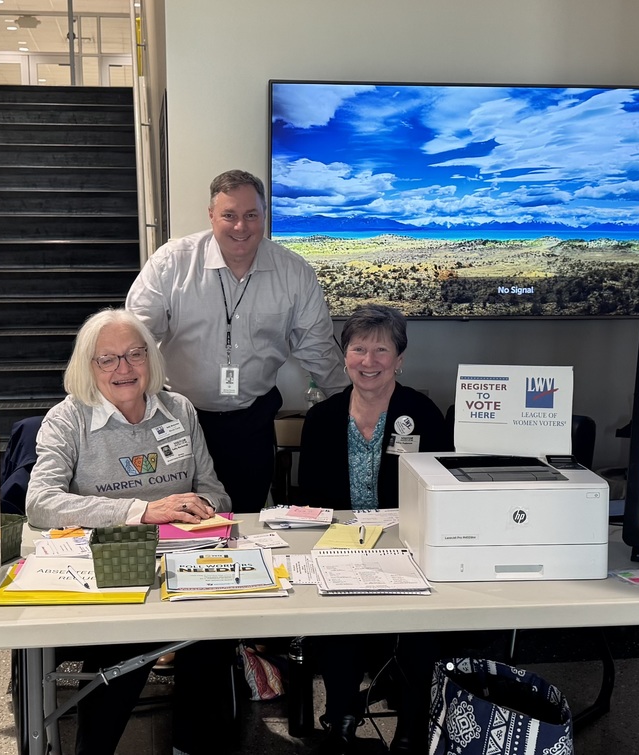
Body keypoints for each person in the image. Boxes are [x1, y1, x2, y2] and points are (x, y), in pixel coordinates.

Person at [25, 308, 235, 755]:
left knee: (213, 638)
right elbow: (39, 503)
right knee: (125, 645)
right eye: (108, 359)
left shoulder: (179, 410)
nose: (124, 369)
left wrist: (200, 508)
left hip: (186, 563)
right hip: (112, 569)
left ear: (150, 358)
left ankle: (189, 747)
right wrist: (142, 510)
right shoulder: (68, 420)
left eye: (135, 354)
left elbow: (216, 493)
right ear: (89, 366)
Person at [126, 169, 347, 509]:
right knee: (181, 514)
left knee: (245, 513)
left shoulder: (294, 273)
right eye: (229, 215)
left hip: (251, 421)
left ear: (264, 216)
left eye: (250, 215)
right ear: (211, 215)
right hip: (178, 419)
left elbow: (318, 350)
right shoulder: (172, 263)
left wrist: (348, 408)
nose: (240, 227)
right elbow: (133, 342)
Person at [298, 304, 451, 754]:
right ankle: (341, 720)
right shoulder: (322, 418)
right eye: (359, 349)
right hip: (340, 545)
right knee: (338, 622)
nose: (369, 361)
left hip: (408, 545)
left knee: (421, 626)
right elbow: (309, 498)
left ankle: (410, 727)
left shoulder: (422, 414)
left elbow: (438, 491)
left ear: (400, 358)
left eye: (381, 350)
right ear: (344, 356)